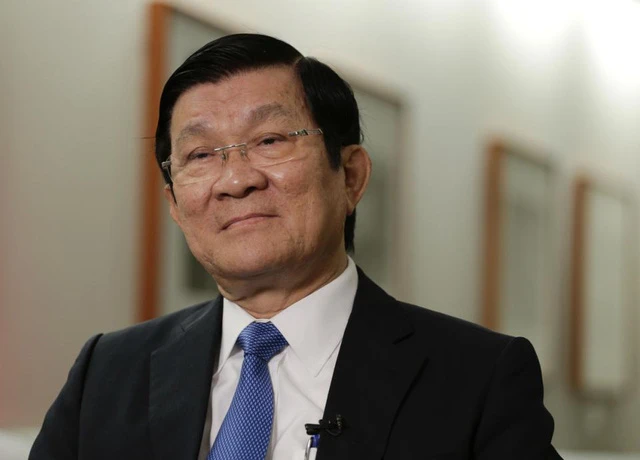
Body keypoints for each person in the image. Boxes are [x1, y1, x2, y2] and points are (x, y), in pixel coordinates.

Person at [30, 34, 561, 460]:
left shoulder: (477, 379)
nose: (235, 180)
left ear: (350, 175)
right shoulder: (107, 372)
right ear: (173, 201)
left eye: (270, 141)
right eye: (200, 155)